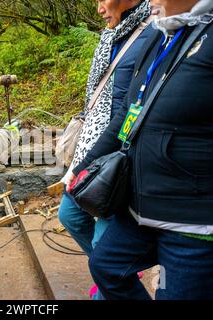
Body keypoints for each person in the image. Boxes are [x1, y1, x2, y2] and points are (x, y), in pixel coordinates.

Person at [68, 0, 213, 300]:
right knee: (106, 266)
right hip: (140, 208)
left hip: (192, 223)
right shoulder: (158, 35)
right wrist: (85, 166)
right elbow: (127, 112)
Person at [58, 0, 153, 299]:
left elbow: (133, 108)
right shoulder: (111, 35)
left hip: (121, 159)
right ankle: (113, 275)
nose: (99, 8)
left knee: (106, 254)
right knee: (69, 215)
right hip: (96, 148)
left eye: (102, 0)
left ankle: (110, 281)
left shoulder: (154, 33)